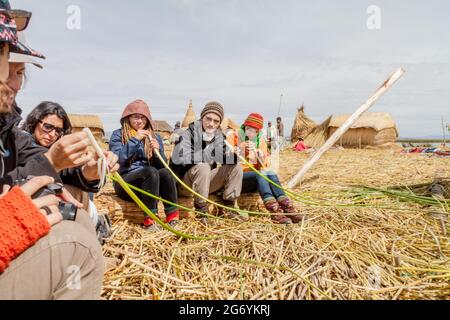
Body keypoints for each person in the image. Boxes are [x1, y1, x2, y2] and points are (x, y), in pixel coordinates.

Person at [0, 1, 104, 299]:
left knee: (73, 203)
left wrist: (89, 169)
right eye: (6, 61)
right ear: (35, 123)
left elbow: (54, 164)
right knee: (78, 246)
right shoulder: (15, 131)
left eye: (19, 72)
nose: (14, 82)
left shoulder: (9, 133)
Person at [21, 101, 114, 243]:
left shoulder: (56, 150)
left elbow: (68, 171)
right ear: (34, 122)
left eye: (58, 131)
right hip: (23, 208)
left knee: (78, 188)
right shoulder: (21, 142)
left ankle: (91, 227)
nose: (52, 134)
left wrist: (89, 171)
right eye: (47, 127)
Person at [109, 100, 179, 230]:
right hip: (125, 183)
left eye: (143, 118)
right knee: (150, 171)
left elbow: (162, 166)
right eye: (136, 117)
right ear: (127, 118)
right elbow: (117, 160)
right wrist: (135, 140)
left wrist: (158, 152)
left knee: (166, 173)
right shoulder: (118, 135)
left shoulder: (155, 137)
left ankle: (172, 218)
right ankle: (150, 221)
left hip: (151, 184)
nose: (140, 121)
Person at [170, 101, 243, 223]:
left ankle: (229, 207)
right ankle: (201, 211)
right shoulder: (188, 134)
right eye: (208, 119)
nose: (211, 124)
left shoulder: (219, 136)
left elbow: (225, 159)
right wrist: (209, 153)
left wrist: (234, 156)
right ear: (202, 117)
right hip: (184, 184)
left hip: (205, 184)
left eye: (216, 121)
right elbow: (182, 159)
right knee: (203, 166)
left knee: (236, 167)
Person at [228, 113, 305, 224]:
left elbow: (263, 168)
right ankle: (274, 212)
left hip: (256, 180)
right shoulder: (233, 136)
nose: (250, 132)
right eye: (248, 128)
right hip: (237, 179)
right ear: (244, 126)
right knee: (261, 174)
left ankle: (288, 208)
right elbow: (227, 160)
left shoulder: (261, 142)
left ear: (258, 131)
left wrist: (260, 157)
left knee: (270, 173)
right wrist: (240, 148)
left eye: (254, 130)